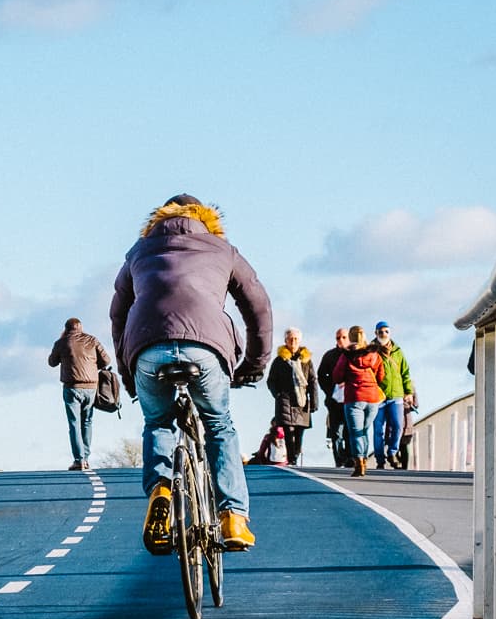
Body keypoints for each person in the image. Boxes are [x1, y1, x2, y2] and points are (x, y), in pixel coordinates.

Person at [110, 194, 272, 554]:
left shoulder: (138, 252)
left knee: (159, 423)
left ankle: (160, 492)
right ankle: (233, 516)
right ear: (208, 220)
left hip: (147, 348)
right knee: (218, 425)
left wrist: (128, 373)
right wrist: (255, 363)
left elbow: (118, 316)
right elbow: (258, 306)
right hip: (206, 347)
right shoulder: (222, 249)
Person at [48, 317, 112, 472]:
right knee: (87, 422)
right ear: (81, 328)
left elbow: (52, 362)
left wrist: (62, 341)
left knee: (74, 424)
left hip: (72, 387)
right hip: (91, 387)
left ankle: (79, 460)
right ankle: (86, 458)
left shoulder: (62, 342)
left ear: (66, 328)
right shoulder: (92, 340)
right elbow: (107, 360)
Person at [330, 325, 386, 477]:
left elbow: (337, 377)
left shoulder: (346, 355)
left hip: (354, 397)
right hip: (373, 398)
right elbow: (381, 375)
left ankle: (359, 462)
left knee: (355, 432)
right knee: (364, 431)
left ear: (350, 338)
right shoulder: (374, 354)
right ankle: (364, 460)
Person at [266, 327, 319, 466]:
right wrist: (277, 394)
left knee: (300, 430)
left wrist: (314, 400)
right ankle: (292, 458)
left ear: (299, 341)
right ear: (285, 341)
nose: (293, 341)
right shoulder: (279, 361)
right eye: (290, 339)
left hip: (301, 399)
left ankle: (296, 453)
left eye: (295, 339)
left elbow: (313, 380)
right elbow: (271, 380)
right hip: (285, 399)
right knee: (288, 431)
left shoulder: (306, 360)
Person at [373, 321, 415, 469]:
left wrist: (408, 392)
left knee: (398, 426)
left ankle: (392, 452)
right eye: (380, 332)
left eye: (386, 331)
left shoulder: (398, 351)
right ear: (376, 333)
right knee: (378, 429)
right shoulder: (372, 351)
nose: (383, 334)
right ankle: (380, 459)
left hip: (396, 395)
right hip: (378, 396)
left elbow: (405, 373)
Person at [316, 327, 350, 467]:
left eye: (343, 337)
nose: (341, 340)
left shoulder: (354, 354)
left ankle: (350, 458)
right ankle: (339, 459)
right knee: (336, 432)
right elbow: (321, 376)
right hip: (334, 401)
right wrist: (331, 390)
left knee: (349, 431)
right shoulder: (329, 355)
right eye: (338, 338)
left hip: (350, 400)